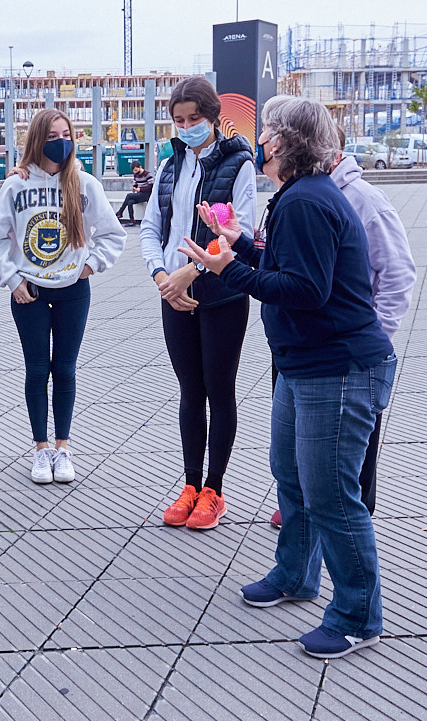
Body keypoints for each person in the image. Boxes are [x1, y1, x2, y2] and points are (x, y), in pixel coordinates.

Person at [184, 95, 395, 660]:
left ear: (285, 142)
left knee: (332, 495)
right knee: (292, 475)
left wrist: (230, 270)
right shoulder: (298, 196)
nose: (260, 140)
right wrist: (241, 243)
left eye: (267, 132)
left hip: (338, 368)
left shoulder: (305, 200)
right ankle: (296, 575)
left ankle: (357, 616)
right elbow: (287, 266)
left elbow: (306, 290)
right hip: (306, 365)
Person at [268, 125, 415, 528]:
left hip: (345, 353)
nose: (269, 146)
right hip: (300, 345)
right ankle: (304, 519)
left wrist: (372, 334)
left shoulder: (362, 198)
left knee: (345, 473)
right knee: (297, 458)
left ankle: (351, 520)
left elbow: (398, 274)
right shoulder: (295, 195)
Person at [137, 76, 257, 531]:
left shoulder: (238, 163)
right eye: (179, 120)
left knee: (219, 389)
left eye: (195, 119)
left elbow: (240, 233)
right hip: (174, 293)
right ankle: (189, 484)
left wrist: (193, 270)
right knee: (190, 390)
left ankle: (214, 489)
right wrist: (162, 275)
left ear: (212, 117)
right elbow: (152, 228)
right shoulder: (172, 165)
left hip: (221, 292)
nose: (187, 127)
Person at [0, 108, 126, 484]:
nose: (60, 142)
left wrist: (87, 267)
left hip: (73, 292)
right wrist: (12, 280)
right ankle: (40, 449)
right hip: (28, 293)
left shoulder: (85, 184)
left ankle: (63, 447)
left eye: (66, 135)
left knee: (64, 369)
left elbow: (113, 234)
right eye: (51, 136)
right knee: (36, 370)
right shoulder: (16, 186)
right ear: (37, 140)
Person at [115, 159, 153, 226]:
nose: (135, 172)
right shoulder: (135, 175)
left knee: (129, 195)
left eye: (136, 170)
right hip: (139, 194)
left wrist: (140, 189)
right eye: (134, 171)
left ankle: (120, 211)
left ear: (140, 167)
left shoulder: (147, 174)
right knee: (130, 202)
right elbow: (135, 184)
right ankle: (132, 220)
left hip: (147, 194)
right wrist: (134, 188)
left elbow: (151, 186)